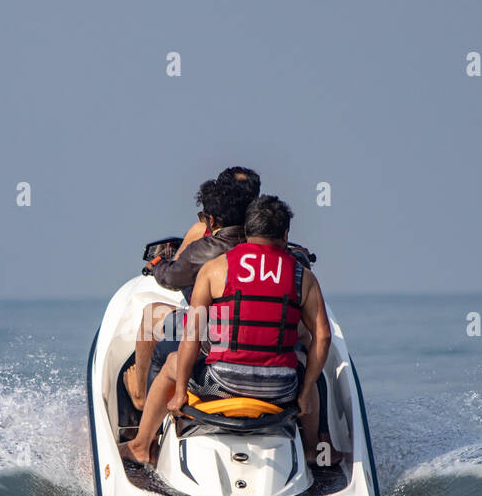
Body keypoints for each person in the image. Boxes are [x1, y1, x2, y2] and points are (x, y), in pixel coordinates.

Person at [122, 195, 331, 465]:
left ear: (246, 231)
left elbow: (192, 336)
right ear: (285, 233)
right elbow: (322, 337)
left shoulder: (215, 269)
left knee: (171, 362)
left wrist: (180, 392)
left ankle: (141, 445)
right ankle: (314, 450)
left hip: (222, 384)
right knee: (308, 371)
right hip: (282, 389)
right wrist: (303, 394)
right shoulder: (303, 277)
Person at [123, 167, 261, 409]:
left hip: (213, 334)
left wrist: (156, 265)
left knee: (151, 317)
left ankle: (142, 399)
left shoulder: (203, 239)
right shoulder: (267, 240)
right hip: (259, 339)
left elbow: (175, 275)